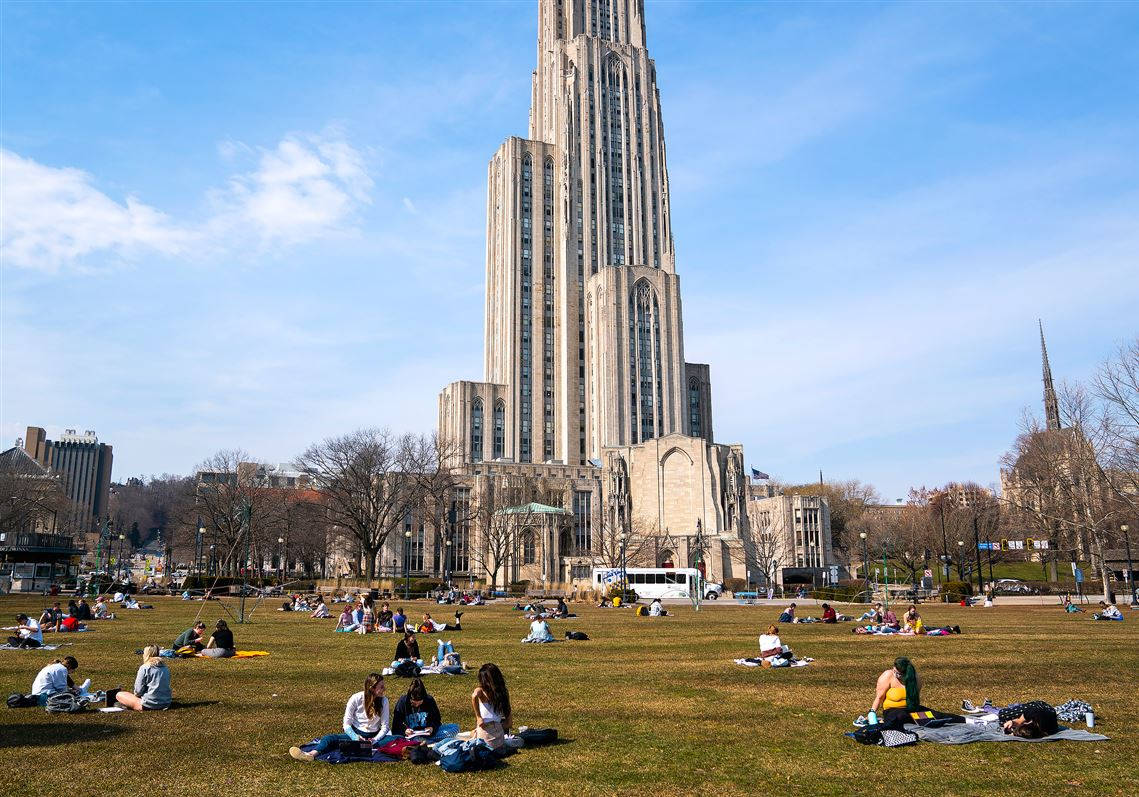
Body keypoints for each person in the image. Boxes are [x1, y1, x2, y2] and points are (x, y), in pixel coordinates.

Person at [289, 673, 390, 762]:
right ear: (372, 688)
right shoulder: (356, 698)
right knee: (329, 738)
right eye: (381, 687)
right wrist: (355, 737)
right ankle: (311, 755)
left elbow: (385, 726)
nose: (384, 689)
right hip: (356, 735)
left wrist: (375, 740)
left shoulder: (384, 701)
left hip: (374, 737)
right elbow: (346, 724)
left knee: (397, 739)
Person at [113, 646, 173, 711]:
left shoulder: (144, 667)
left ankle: (126, 705)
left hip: (148, 704)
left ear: (146, 654)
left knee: (119, 694)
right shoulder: (165, 668)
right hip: (166, 703)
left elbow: (138, 691)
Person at [468, 663, 512, 751]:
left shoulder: (499, 693)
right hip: (494, 727)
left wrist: (480, 718)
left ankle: (475, 733)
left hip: (491, 728)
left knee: (475, 735)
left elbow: (509, 722)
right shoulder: (483, 691)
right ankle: (476, 732)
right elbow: (474, 696)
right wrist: (479, 717)